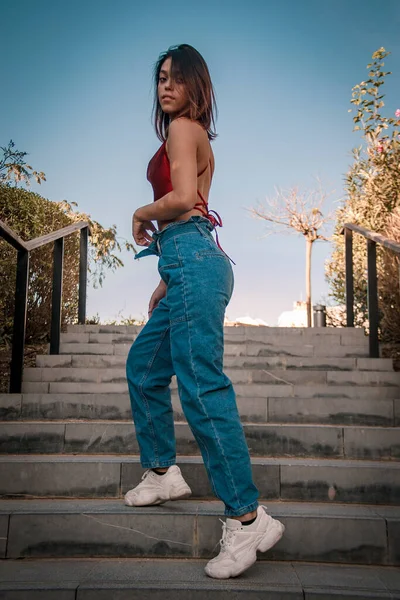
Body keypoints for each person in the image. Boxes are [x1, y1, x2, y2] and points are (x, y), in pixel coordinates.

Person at [125, 43, 285, 580]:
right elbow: (188, 217)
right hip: (188, 264)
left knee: (200, 383)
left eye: (177, 78)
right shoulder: (187, 132)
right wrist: (168, 281)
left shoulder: (182, 129)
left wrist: (141, 211)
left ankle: (246, 517)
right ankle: (164, 471)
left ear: (196, 86)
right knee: (145, 368)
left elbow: (184, 199)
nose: (166, 86)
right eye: (161, 79)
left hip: (194, 256)